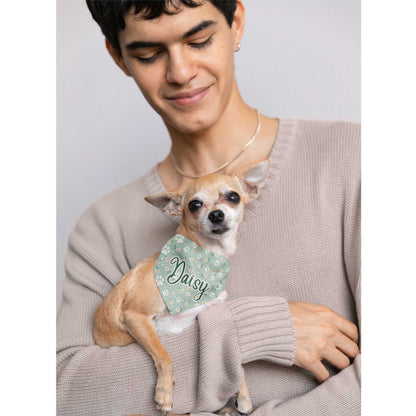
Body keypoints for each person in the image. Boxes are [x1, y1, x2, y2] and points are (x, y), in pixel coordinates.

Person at [56, 1, 361, 415]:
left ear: (236, 23)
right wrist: (247, 330)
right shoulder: (103, 228)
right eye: (149, 55)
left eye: (199, 40)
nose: (180, 72)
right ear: (118, 56)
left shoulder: (351, 159)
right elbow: (66, 394)